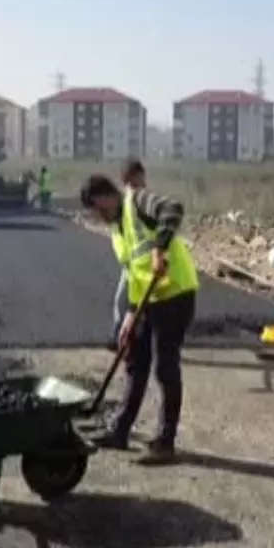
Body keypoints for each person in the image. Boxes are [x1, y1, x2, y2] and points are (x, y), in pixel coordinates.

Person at [81, 173, 198, 465]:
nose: (98, 217)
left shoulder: (137, 202)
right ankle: (120, 430)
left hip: (175, 293)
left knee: (165, 367)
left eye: (97, 210)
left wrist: (160, 248)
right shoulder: (118, 230)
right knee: (135, 359)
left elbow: (173, 209)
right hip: (148, 298)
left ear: (105, 198)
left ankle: (165, 442)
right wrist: (130, 315)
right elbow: (135, 273)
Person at [110, 158, 147, 349]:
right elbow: (119, 233)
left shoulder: (145, 202)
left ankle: (128, 338)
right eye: (135, 180)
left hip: (146, 266)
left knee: (135, 304)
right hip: (132, 263)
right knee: (123, 301)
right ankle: (120, 336)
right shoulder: (125, 205)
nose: (140, 184)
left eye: (141, 179)